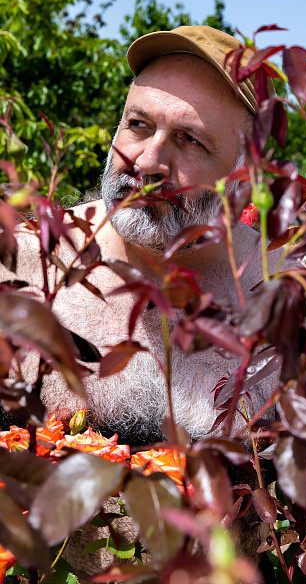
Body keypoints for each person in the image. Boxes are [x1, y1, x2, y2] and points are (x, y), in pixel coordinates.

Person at [4, 25, 282, 445]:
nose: (149, 162)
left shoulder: (287, 298)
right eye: (138, 125)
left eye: (191, 140)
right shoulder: (24, 265)